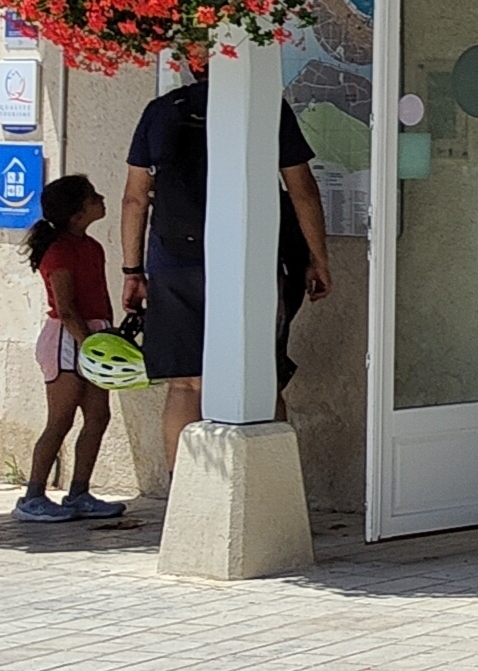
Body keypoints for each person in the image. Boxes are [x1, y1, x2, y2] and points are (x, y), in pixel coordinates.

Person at [122, 56, 331, 467]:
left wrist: (132, 270)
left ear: (194, 67)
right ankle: (268, 491)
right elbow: (302, 189)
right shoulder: (267, 108)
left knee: (185, 386)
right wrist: (317, 258)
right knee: (260, 378)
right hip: (249, 260)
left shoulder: (161, 110)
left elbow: (134, 197)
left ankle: (186, 498)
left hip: (173, 261)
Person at [15, 175, 129, 524]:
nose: (102, 199)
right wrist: (92, 347)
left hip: (94, 336)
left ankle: (79, 492)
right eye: (93, 197)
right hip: (68, 339)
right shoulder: (59, 250)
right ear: (78, 214)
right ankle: (32, 496)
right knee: (61, 419)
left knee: (98, 416)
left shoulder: (92, 246)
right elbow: (66, 309)